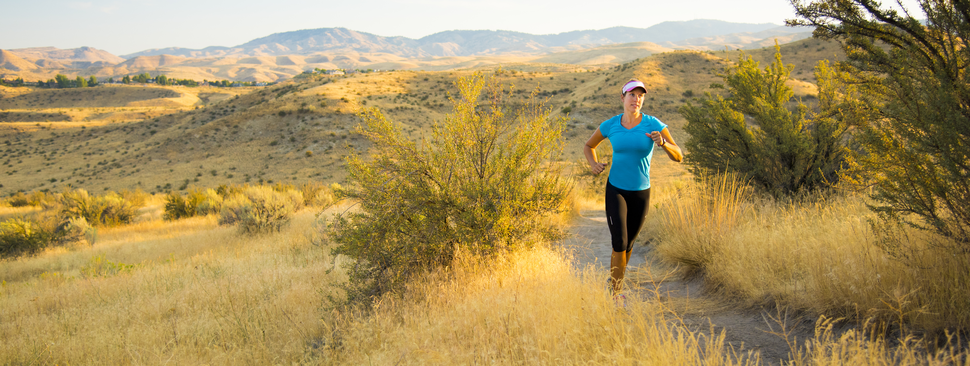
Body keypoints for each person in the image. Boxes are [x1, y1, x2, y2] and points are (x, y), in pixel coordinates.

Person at [583, 79, 683, 304]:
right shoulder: (611, 125)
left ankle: (614, 282)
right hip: (616, 189)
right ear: (622, 98)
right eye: (631, 95)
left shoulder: (653, 124)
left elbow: (679, 155)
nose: (636, 99)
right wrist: (593, 164)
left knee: (628, 245)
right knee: (619, 241)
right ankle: (616, 294)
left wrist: (664, 144)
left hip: (641, 193)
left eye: (640, 96)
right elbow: (589, 146)